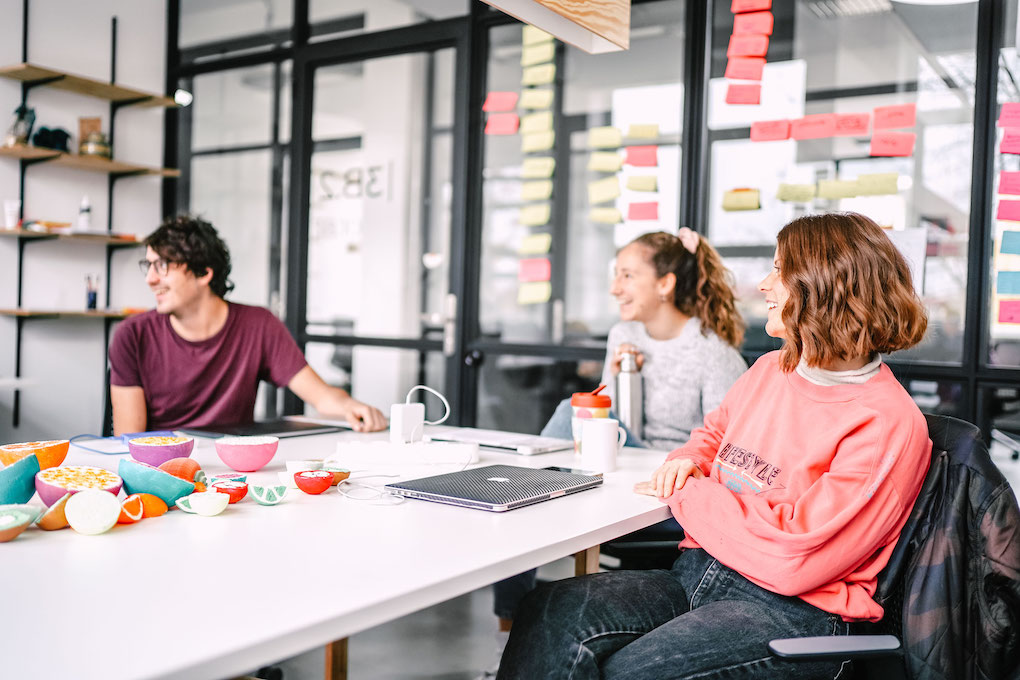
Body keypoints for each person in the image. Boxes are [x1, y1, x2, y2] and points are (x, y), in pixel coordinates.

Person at [497, 212, 932, 680]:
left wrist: (690, 491)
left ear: (825, 286)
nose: (764, 285)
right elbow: (711, 436)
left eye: (780, 271)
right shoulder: (772, 370)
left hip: (793, 611)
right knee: (550, 611)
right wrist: (687, 460)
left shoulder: (887, 422)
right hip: (701, 569)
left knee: (629, 672)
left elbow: (793, 559)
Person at [483, 228, 748, 678]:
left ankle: (523, 483)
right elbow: (605, 419)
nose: (614, 288)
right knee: (568, 422)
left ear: (665, 284)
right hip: (624, 459)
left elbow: (720, 446)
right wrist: (625, 375)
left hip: (672, 475)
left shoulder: (713, 353)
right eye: (614, 275)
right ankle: (509, 622)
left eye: (627, 275)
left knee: (569, 410)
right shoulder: (624, 333)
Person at [109, 215, 386, 435]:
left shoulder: (258, 325)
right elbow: (129, 443)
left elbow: (321, 396)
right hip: (164, 475)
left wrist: (351, 406)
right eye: (149, 266)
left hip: (233, 472)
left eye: (163, 266)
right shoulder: (132, 336)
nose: (150, 279)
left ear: (204, 272)